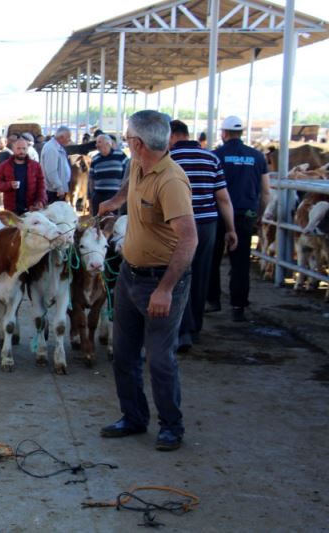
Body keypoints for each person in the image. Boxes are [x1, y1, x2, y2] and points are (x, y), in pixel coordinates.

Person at [97, 110, 197, 452]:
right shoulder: (138, 164)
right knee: (123, 354)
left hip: (160, 280)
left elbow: (189, 239)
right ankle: (134, 417)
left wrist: (166, 289)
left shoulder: (171, 182)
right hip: (129, 274)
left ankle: (171, 425)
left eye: (127, 139)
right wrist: (115, 202)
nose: (126, 143)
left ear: (138, 143)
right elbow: (131, 185)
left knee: (159, 358)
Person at [169, 120, 238, 351]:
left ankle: (180, 328)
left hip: (176, 224)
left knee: (177, 273)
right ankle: (195, 327)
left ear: (172, 136)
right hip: (207, 224)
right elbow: (223, 198)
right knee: (200, 274)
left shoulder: (168, 159)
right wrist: (230, 229)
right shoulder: (211, 158)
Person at [207, 115, 270, 322]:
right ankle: (238, 306)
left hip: (217, 215)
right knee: (241, 262)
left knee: (212, 259)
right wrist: (260, 215)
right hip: (245, 214)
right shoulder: (258, 157)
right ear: (241, 133)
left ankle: (212, 300)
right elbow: (266, 191)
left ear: (224, 133)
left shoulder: (216, 156)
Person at [0, 137, 45, 215]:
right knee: (12, 227)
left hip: (31, 209)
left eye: (24, 148)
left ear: (27, 149)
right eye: (18, 148)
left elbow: (41, 186)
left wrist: (41, 201)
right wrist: (9, 185)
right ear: (13, 149)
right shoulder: (4, 166)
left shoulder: (35, 166)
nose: (21, 151)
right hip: (11, 210)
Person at [88, 133, 129, 215]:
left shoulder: (121, 156)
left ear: (108, 143)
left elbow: (128, 175)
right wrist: (91, 196)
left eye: (99, 142)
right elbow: (91, 179)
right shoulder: (95, 159)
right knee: (98, 223)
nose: (96, 145)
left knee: (114, 222)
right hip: (98, 197)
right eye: (96, 142)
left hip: (115, 197)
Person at [40, 126, 72, 205]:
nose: (69, 140)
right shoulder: (51, 148)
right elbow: (51, 171)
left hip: (57, 190)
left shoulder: (57, 147)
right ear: (61, 137)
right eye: (68, 137)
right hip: (54, 192)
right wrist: (59, 187)